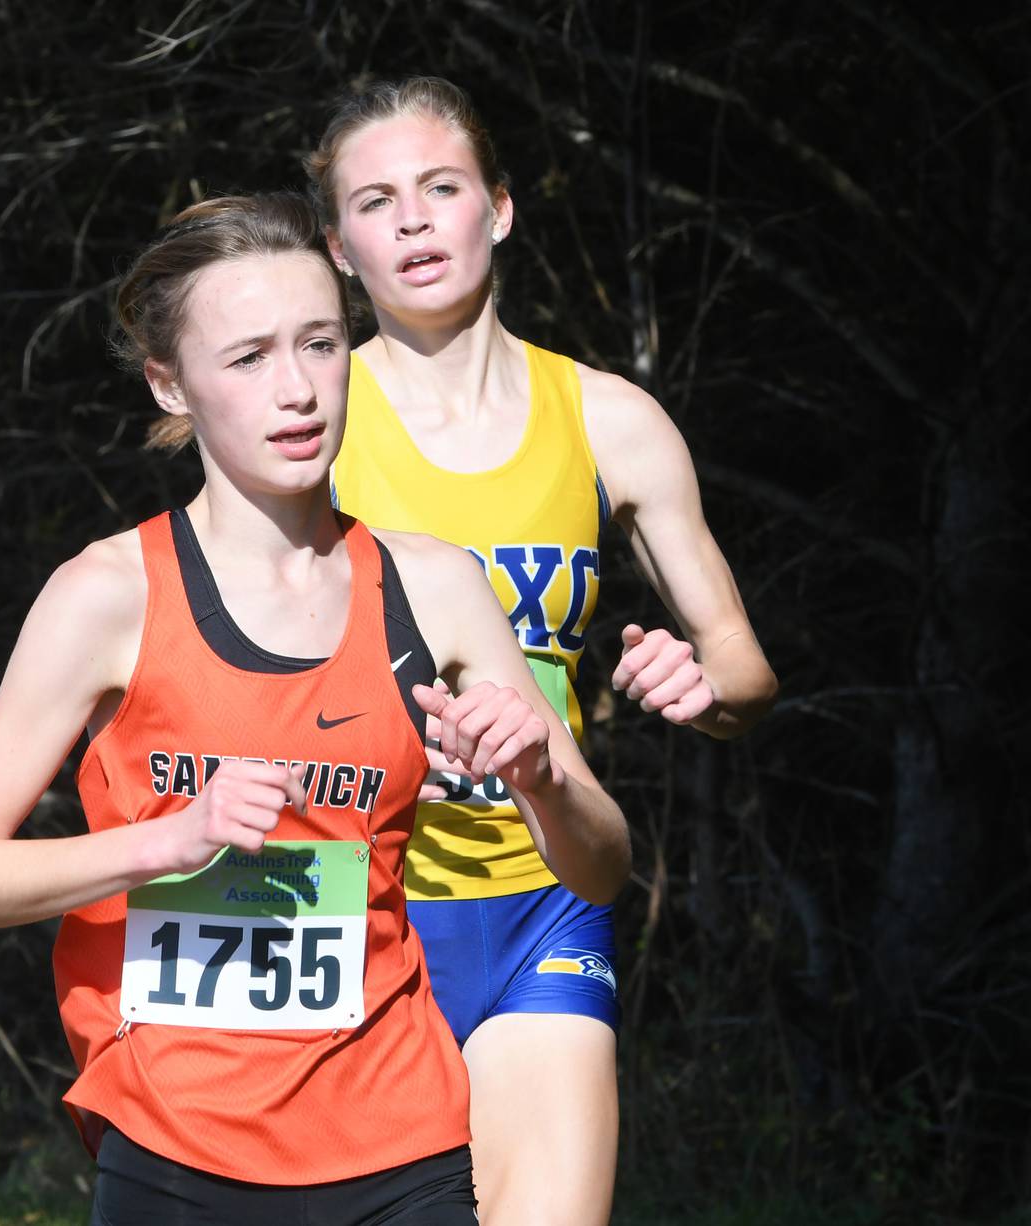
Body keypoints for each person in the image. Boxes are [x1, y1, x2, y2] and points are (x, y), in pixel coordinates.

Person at [0, 192, 630, 1225]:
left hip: (401, 1136)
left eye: (322, 343)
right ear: (171, 380)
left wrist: (544, 781)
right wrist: (169, 840)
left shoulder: (435, 585)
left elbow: (602, 864)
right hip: (175, 1149)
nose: (296, 389)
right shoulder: (109, 595)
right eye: (246, 358)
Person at [305, 78, 779, 1225]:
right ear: (338, 245)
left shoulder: (609, 419)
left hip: (542, 890)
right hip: (352, 902)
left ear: (500, 208)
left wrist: (704, 685)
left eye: (441, 187)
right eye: (376, 200)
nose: (413, 220)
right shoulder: (302, 423)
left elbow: (746, 669)